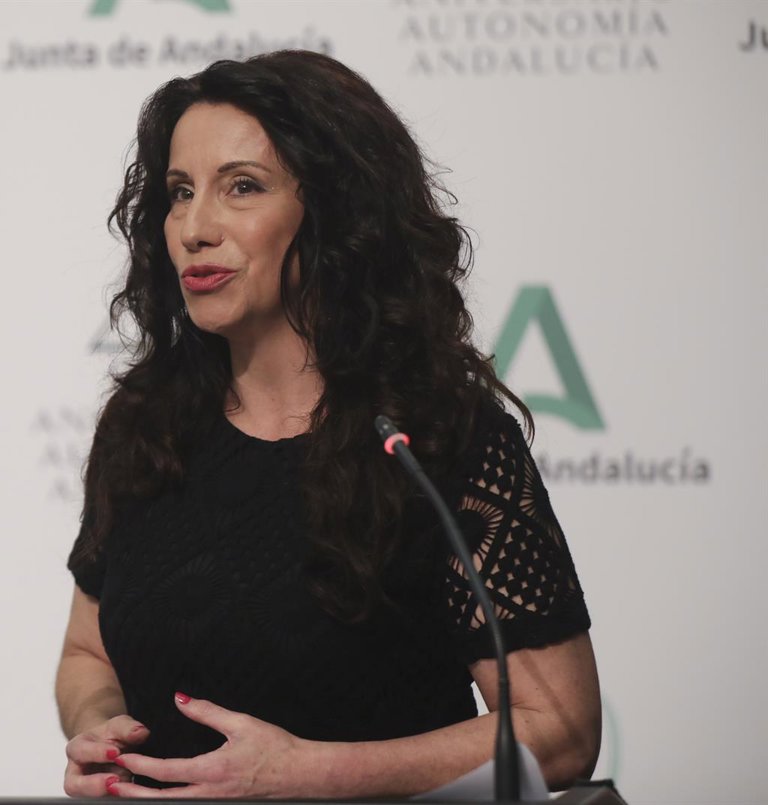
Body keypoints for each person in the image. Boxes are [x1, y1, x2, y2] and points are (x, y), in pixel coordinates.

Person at [55, 50, 600, 799]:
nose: (194, 227)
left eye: (242, 186)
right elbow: (87, 654)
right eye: (180, 192)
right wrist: (99, 729)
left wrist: (308, 773)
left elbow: (561, 728)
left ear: (336, 211)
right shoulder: (146, 424)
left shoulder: (437, 437)